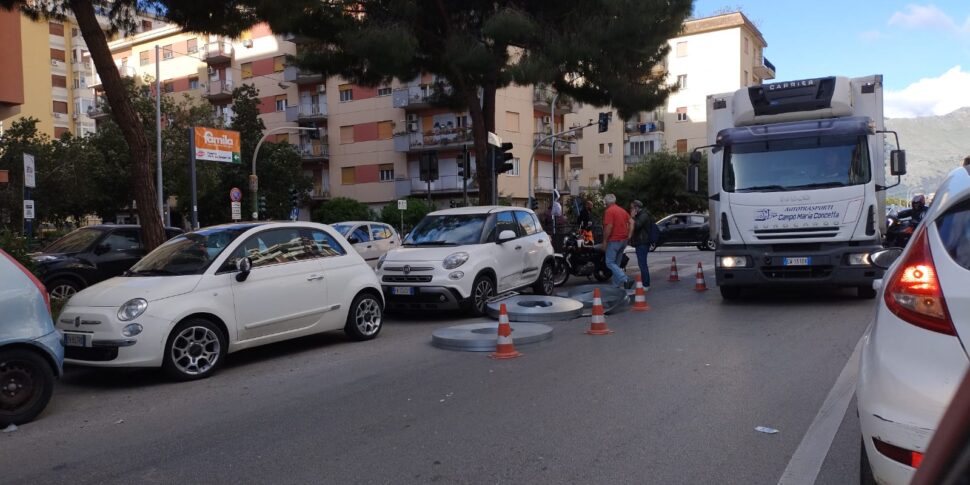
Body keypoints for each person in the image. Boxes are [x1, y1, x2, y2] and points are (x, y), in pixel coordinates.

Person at [602, 194, 633, 289]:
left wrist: (604, 241)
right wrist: (629, 235)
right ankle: (615, 287)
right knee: (617, 264)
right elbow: (632, 222)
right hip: (623, 240)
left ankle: (625, 279)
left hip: (614, 240)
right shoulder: (622, 210)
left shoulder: (609, 211)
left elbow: (609, 227)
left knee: (609, 262)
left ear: (606, 203)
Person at [629, 200, 654, 290]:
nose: (630, 209)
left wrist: (633, 217)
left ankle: (646, 284)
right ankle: (645, 283)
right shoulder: (641, 215)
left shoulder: (643, 215)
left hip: (643, 243)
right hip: (640, 242)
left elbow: (637, 226)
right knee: (641, 263)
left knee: (642, 264)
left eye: (632, 208)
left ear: (636, 208)